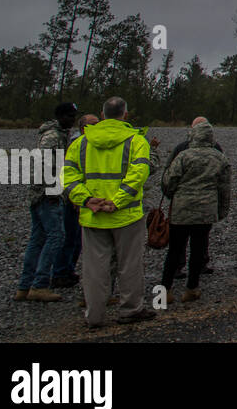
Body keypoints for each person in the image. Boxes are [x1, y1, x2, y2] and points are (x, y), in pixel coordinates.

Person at [61, 96, 156, 329]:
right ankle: (131, 309)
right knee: (130, 264)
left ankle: (94, 315)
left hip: (93, 214)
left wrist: (86, 199)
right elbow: (139, 174)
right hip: (126, 214)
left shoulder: (80, 143)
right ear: (126, 115)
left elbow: (68, 177)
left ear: (102, 116)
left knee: (94, 268)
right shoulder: (136, 141)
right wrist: (117, 201)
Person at [160, 119, 230, 303]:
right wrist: (221, 211)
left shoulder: (184, 156)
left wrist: (171, 196)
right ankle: (192, 287)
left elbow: (169, 180)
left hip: (181, 210)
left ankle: (165, 291)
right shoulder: (219, 158)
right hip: (205, 211)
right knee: (198, 249)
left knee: (174, 250)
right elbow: (224, 188)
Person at [15, 102, 77, 301]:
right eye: (69, 116)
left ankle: (25, 286)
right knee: (56, 237)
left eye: (74, 116)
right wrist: (52, 190)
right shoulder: (52, 137)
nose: (72, 120)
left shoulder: (57, 134)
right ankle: (40, 284)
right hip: (47, 195)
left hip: (41, 193)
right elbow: (43, 164)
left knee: (38, 239)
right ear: (60, 116)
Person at [165, 116, 223, 275]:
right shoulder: (183, 149)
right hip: (201, 204)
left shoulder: (184, 150)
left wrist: (171, 194)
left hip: (184, 203)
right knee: (189, 240)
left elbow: (168, 177)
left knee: (188, 239)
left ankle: (189, 268)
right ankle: (187, 272)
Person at [52, 111, 97, 288]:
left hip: (85, 197)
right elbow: (68, 172)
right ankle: (60, 272)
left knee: (77, 238)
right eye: (92, 124)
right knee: (69, 237)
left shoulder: (90, 142)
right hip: (73, 197)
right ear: (83, 127)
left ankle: (68, 270)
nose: (96, 127)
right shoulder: (76, 143)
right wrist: (74, 197)